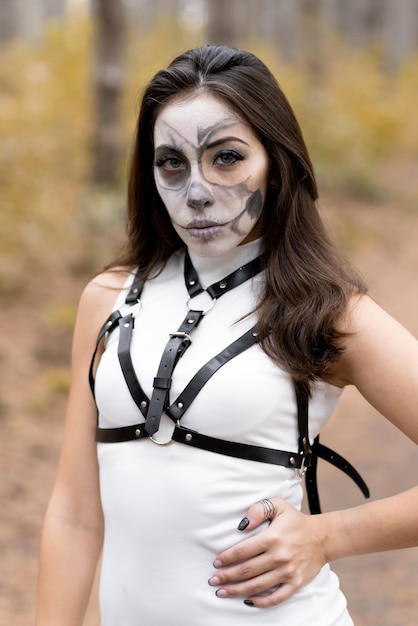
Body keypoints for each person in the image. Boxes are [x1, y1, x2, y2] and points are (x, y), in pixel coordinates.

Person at [36, 45, 418, 626]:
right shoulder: (108, 300)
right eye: (171, 163)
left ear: (277, 160)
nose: (197, 191)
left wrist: (329, 535)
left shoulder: (326, 310)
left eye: (227, 158)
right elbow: (75, 514)